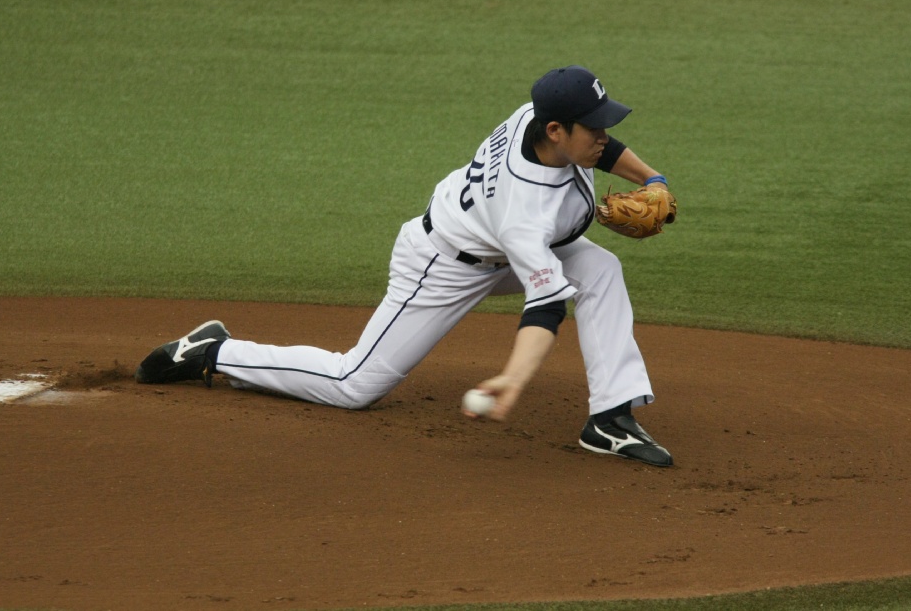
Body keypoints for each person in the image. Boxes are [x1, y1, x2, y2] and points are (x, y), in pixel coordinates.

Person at [135, 65, 675, 467]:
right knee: (354, 384)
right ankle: (213, 351)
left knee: (600, 270)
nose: (602, 135)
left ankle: (610, 419)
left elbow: (603, 149)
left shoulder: (533, 119)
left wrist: (653, 180)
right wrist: (514, 377)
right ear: (555, 130)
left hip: (495, 249)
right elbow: (547, 306)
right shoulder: (523, 213)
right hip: (442, 266)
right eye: (592, 127)